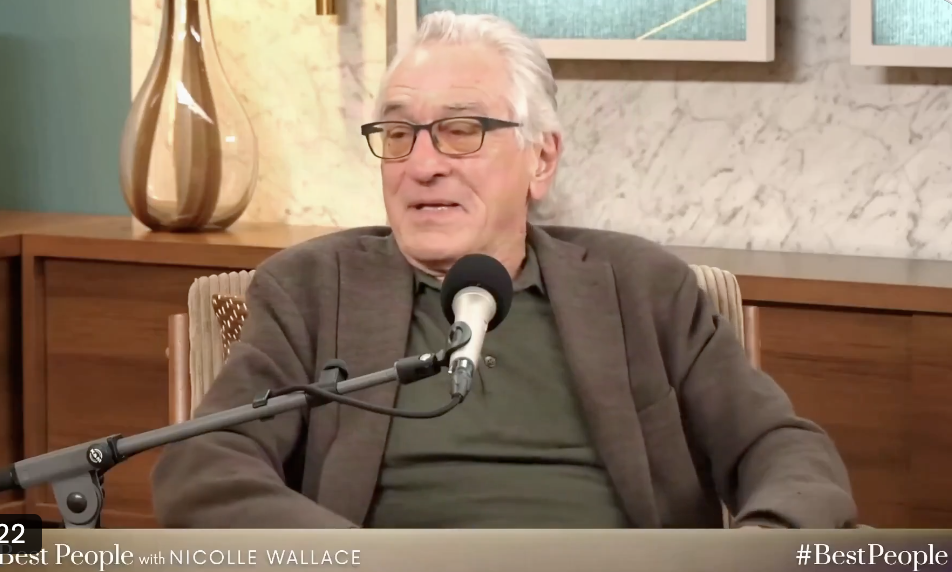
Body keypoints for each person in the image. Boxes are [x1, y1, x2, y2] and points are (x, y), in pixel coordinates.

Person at [151, 11, 857, 529]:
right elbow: (205, 465)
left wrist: (762, 549)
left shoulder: (642, 287)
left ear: (541, 159)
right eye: (398, 133)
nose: (422, 164)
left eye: (461, 131)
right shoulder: (311, 289)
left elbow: (782, 449)